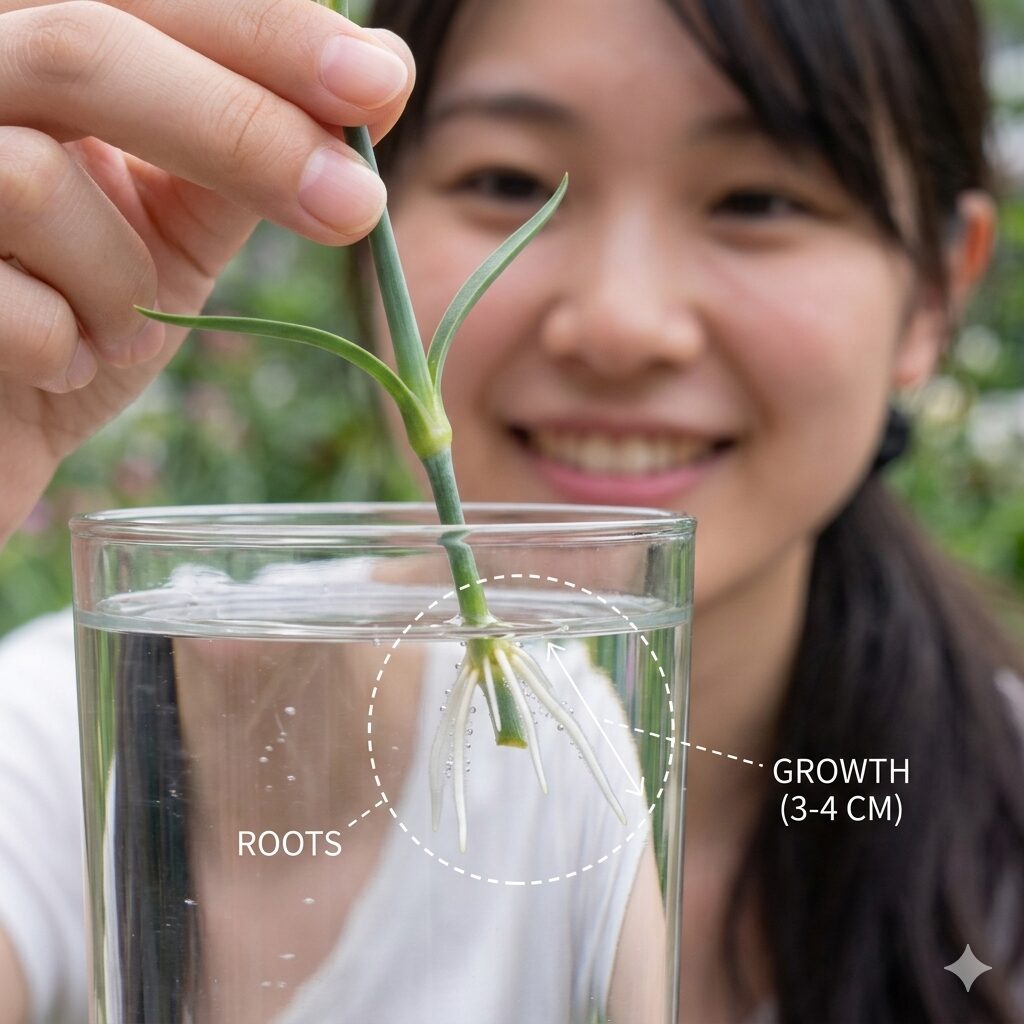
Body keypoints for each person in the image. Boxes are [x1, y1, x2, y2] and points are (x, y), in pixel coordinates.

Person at [0, 0, 1022, 1021]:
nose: (619, 327)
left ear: (935, 292)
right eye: (508, 182)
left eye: (757, 199)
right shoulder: (85, 735)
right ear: (356, 223)